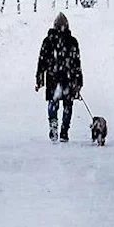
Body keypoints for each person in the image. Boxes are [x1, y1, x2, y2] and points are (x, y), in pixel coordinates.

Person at [35, 12, 84, 141]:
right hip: (68, 78)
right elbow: (77, 63)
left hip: (52, 77)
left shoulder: (48, 41)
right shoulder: (72, 41)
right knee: (68, 105)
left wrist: (39, 79)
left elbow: (42, 62)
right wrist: (78, 82)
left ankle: (53, 123)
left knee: (53, 102)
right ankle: (64, 131)